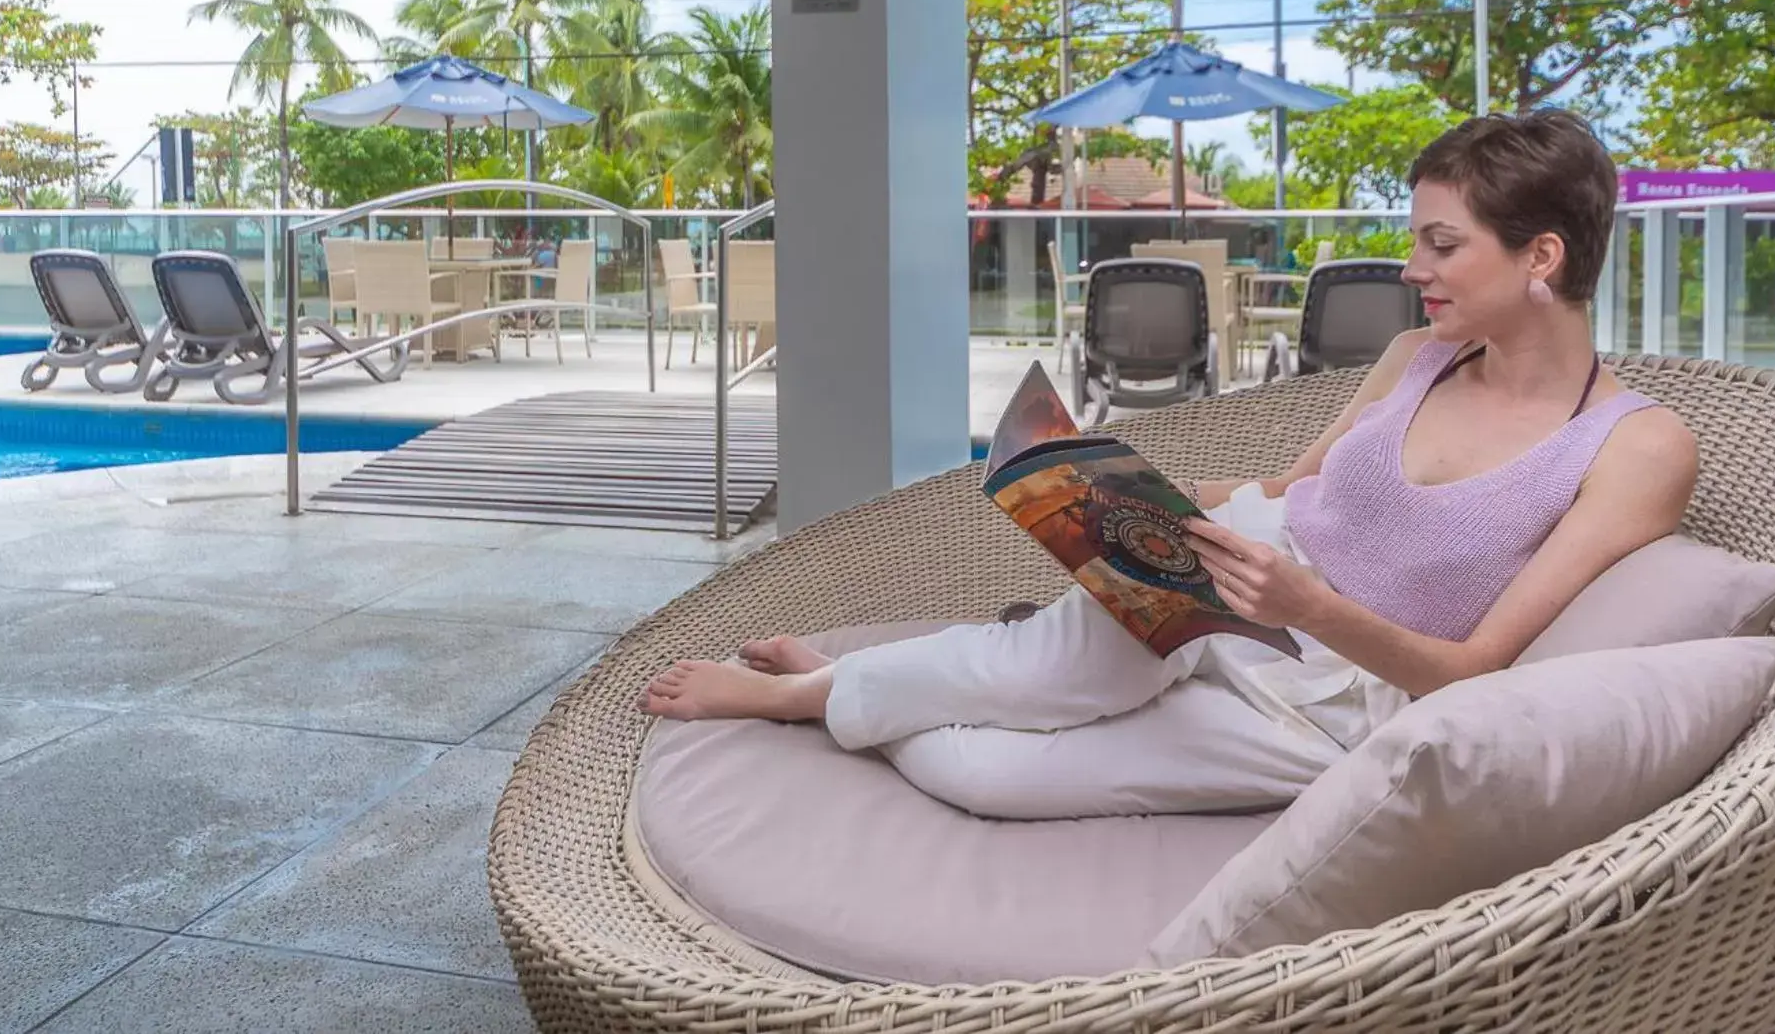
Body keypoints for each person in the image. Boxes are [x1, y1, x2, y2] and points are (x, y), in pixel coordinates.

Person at [641, 110, 1700, 821]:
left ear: (1541, 257)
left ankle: (845, 686)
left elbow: (1478, 671)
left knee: (991, 774)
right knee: (1069, 664)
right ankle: (809, 693)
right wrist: (1106, 478)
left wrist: (1310, 609)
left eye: (1439, 243)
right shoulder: (1416, 357)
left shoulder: (1633, 445)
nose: (1412, 268)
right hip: (1241, 563)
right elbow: (1290, 491)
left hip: (1339, 688)